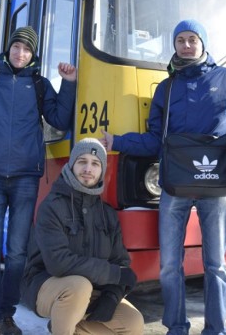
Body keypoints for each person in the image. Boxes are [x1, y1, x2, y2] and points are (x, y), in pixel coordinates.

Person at [101, 20, 226, 335]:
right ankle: (177, 327)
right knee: (170, 265)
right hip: (174, 184)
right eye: (180, 40)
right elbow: (156, 139)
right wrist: (118, 142)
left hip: (215, 183)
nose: (186, 45)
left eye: (192, 39)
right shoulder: (166, 88)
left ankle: (216, 329)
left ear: (203, 43)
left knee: (216, 265)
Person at [0, 26, 77, 335]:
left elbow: (59, 119)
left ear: (33, 54)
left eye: (26, 49)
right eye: (16, 47)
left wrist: (68, 84)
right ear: (8, 49)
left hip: (26, 178)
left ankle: (7, 314)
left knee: (17, 251)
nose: (20, 53)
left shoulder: (40, 85)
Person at [21, 138, 144, 335]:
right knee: (79, 287)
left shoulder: (107, 213)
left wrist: (111, 296)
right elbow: (58, 263)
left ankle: (70, 327)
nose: (88, 168)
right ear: (71, 165)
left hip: (91, 291)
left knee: (133, 322)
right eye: (82, 161)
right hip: (46, 285)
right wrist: (113, 274)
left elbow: (120, 262)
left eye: (95, 164)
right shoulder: (52, 206)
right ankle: (63, 326)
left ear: (101, 170)